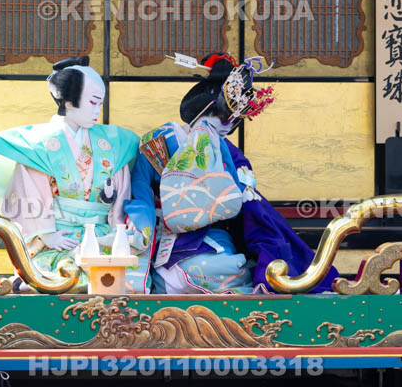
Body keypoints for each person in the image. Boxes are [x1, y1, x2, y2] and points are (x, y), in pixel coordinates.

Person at [131, 53, 339, 294]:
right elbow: (140, 195)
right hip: (173, 242)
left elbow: (242, 205)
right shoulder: (157, 143)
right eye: (224, 117)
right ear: (206, 108)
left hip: (216, 239)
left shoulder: (226, 148)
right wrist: (140, 230)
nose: (228, 126)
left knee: (241, 261)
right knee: (231, 269)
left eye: (234, 121)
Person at [0, 56, 155, 293]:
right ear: (68, 102)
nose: (97, 111)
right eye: (92, 103)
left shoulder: (113, 142)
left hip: (104, 236)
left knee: (123, 281)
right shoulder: (39, 146)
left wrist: (118, 230)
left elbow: (120, 193)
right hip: (59, 238)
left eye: (100, 104)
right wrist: (46, 234)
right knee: (58, 280)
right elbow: (29, 192)